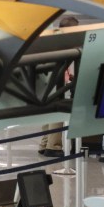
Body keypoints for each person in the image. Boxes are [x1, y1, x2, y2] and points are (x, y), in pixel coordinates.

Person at [38, 15, 80, 158]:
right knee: (57, 112)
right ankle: (54, 147)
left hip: (46, 82)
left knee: (47, 114)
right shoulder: (67, 44)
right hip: (56, 84)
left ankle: (44, 144)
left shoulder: (54, 41)